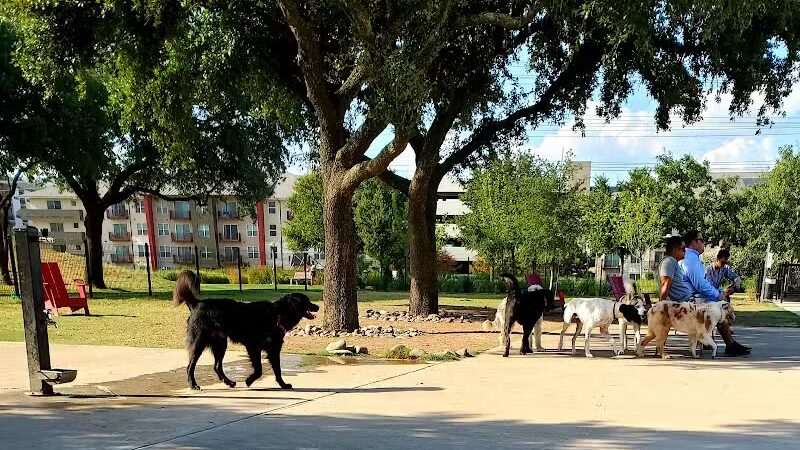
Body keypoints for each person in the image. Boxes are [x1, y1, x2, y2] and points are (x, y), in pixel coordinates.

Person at [678, 230, 750, 356]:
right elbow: (700, 285)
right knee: (719, 308)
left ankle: (728, 344)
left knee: (719, 306)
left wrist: (732, 284)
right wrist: (718, 294)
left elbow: (702, 285)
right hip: (689, 300)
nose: (704, 243)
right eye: (701, 240)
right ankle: (728, 344)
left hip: (693, 298)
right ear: (694, 242)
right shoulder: (691, 260)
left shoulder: (691, 258)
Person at [658, 236, 689, 301]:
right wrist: (661, 306)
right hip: (682, 304)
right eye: (683, 249)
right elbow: (665, 284)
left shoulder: (671, 261)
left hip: (684, 302)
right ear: (675, 250)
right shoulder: (669, 261)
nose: (685, 251)